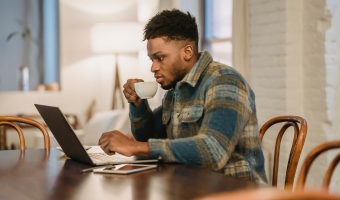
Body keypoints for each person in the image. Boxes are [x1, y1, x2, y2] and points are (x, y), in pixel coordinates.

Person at [98, 9, 267, 183]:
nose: (153, 68)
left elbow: (213, 151)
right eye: (152, 60)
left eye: (160, 57)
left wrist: (133, 146)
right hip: (191, 185)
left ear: (187, 52)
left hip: (236, 190)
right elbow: (147, 138)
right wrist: (138, 105)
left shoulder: (225, 81)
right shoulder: (176, 89)